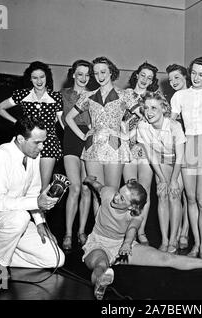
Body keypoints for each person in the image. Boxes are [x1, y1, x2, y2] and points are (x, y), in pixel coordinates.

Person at [82, 175, 202, 300]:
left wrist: (126, 244)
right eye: (119, 192)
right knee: (101, 264)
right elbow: (98, 186)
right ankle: (100, 282)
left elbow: (132, 230)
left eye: (122, 198)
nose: (116, 197)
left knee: (166, 258)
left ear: (131, 207)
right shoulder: (108, 193)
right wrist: (89, 180)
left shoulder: (135, 216)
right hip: (99, 243)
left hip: (122, 245)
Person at [0, 115, 65, 278]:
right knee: (21, 217)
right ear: (21, 139)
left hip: (14, 221)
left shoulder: (32, 156)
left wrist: (39, 222)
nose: (42, 147)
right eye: (37, 142)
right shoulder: (1, 156)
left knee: (56, 259)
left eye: (43, 141)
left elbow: (33, 192)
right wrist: (36, 202)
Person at [171, 56, 202, 259]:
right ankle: (196, 244)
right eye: (194, 73)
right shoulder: (180, 96)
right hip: (188, 144)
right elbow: (171, 123)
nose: (196, 77)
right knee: (190, 198)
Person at [65, 57, 136, 192]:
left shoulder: (124, 95)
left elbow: (144, 116)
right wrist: (82, 135)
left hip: (115, 145)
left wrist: (127, 135)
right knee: (96, 194)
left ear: (111, 73)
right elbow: (69, 118)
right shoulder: (88, 96)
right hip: (93, 147)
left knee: (111, 192)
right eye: (96, 73)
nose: (100, 76)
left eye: (103, 72)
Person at [0, 61, 63, 190]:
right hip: (28, 141)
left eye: (42, 77)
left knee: (43, 187)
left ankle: (42, 210)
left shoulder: (56, 96)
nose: (39, 81)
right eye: (35, 77)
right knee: (25, 185)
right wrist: (18, 123)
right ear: (30, 79)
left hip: (48, 143)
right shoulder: (22, 94)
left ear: (47, 77)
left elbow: (60, 120)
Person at [137, 91, 186, 253]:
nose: (148, 112)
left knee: (174, 194)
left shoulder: (173, 126)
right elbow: (151, 156)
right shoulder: (143, 126)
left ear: (164, 109)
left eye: (153, 108)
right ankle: (164, 240)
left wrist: (173, 180)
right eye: (145, 108)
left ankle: (173, 239)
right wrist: (162, 179)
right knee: (162, 194)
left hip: (180, 161)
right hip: (162, 160)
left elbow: (180, 157)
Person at [122, 62, 159, 246]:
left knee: (146, 191)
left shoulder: (154, 99)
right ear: (137, 75)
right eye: (143, 75)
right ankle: (130, 231)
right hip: (128, 147)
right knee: (130, 191)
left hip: (146, 148)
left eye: (149, 77)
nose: (145, 80)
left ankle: (141, 230)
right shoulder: (125, 94)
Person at [60, 60, 94, 251]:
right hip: (72, 138)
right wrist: (73, 133)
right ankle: (68, 233)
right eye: (80, 74)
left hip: (88, 139)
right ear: (73, 74)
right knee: (75, 187)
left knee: (87, 188)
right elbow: (62, 119)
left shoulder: (92, 95)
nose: (83, 78)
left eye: (87, 75)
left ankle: (81, 231)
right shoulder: (64, 94)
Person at [166, 63, 190, 250]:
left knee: (190, 196)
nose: (174, 82)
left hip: (193, 149)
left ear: (185, 77)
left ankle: (185, 232)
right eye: (171, 78)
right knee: (175, 192)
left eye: (177, 77)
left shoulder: (194, 95)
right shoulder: (170, 101)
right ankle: (174, 235)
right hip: (174, 151)